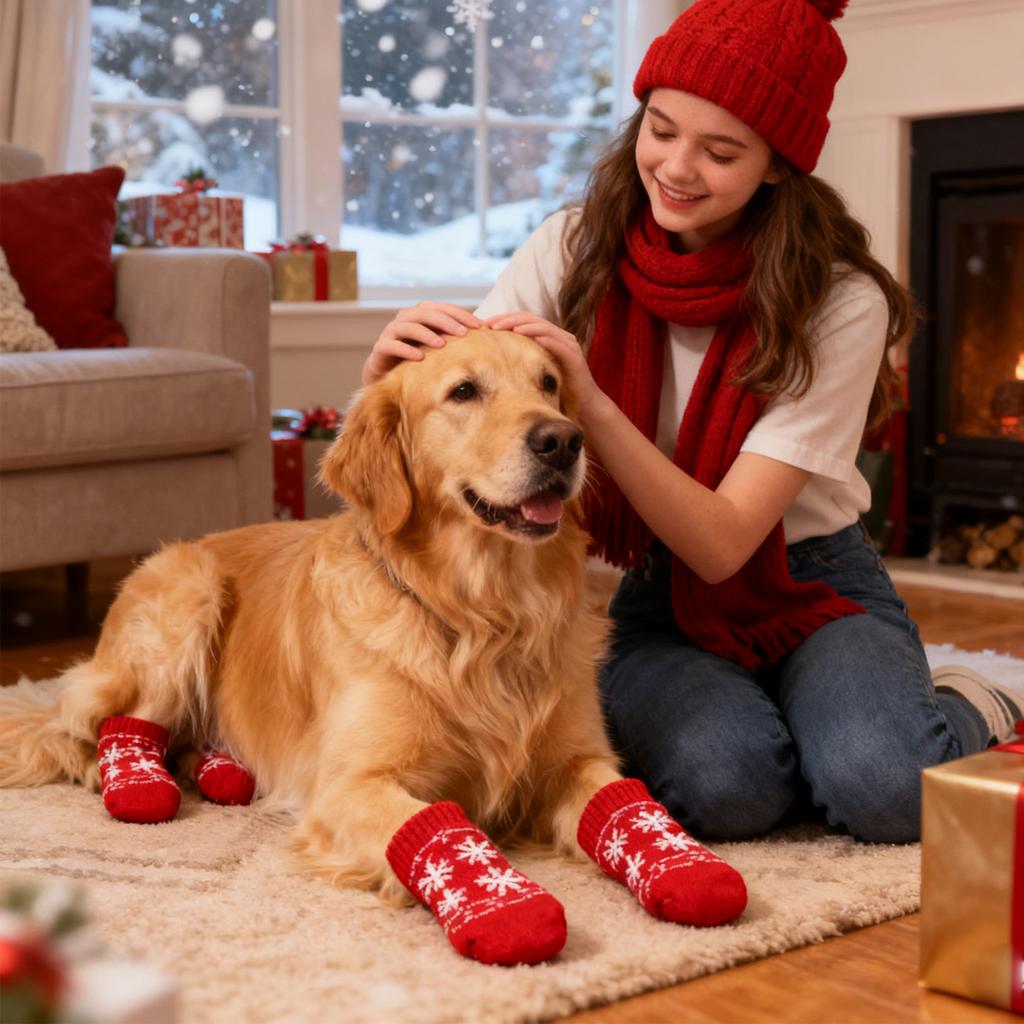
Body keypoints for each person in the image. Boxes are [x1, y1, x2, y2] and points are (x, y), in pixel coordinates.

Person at [362, 0, 1022, 845]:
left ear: (778, 165)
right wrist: (389, 370)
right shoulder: (571, 248)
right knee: (726, 790)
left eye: (720, 151)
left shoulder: (841, 298)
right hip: (658, 588)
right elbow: (467, 403)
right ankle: (799, 726)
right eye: (662, 129)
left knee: (884, 789)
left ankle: (968, 698)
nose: (676, 168)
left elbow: (723, 544)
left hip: (813, 580)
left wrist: (593, 401)